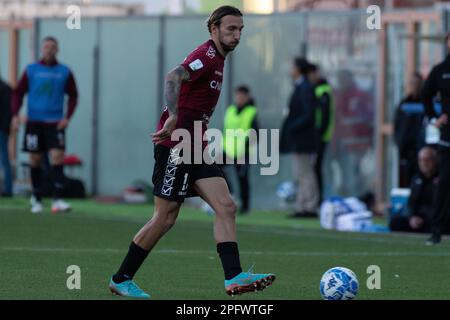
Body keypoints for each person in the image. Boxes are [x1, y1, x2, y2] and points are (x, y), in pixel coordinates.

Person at [109, 6, 275, 298]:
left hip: (195, 147)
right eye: (230, 29)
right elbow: (174, 76)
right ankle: (121, 278)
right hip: (176, 145)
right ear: (213, 29)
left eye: (240, 30)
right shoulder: (207, 56)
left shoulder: (219, 59)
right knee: (165, 218)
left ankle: (233, 277)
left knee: (226, 206)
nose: (236, 36)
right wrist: (173, 115)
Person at [11, 36, 79, 214]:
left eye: (52, 47)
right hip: (34, 122)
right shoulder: (31, 70)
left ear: (57, 50)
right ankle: (37, 199)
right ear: (41, 49)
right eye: (46, 46)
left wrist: (67, 117)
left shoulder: (64, 71)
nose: (49, 50)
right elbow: (18, 92)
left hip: (55, 123)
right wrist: (16, 114)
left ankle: (58, 199)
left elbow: (73, 96)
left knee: (57, 157)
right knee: (35, 159)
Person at [280, 58, 319, 218]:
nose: (290, 70)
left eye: (293, 67)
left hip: (303, 139)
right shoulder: (300, 87)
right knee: (300, 173)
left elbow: (308, 114)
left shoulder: (305, 88)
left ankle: (309, 206)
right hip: (299, 139)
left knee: (305, 173)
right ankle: (302, 205)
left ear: (298, 69)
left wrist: (292, 127)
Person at [422, 33, 450, 245]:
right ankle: (436, 230)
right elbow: (425, 94)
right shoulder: (441, 70)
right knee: (444, 183)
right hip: (447, 138)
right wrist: (434, 117)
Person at [333, 69, 374, 196]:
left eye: (344, 79)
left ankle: (358, 195)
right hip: (341, 143)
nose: (341, 82)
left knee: (356, 171)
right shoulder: (337, 95)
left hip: (358, 143)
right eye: (340, 79)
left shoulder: (360, 96)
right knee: (344, 172)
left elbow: (368, 117)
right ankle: (346, 193)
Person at [221, 85, 259, 214]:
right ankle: (230, 194)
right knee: (216, 169)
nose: (239, 98)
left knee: (242, 178)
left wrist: (247, 148)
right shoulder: (230, 110)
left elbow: (255, 133)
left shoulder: (251, 112)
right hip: (228, 149)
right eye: (237, 95)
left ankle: (245, 206)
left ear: (247, 97)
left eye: (242, 96)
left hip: (243, 151)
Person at [389, 147, 440, 233]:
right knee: (395, 222)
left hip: (433, 218)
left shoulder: (441, 180)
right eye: (421, 160)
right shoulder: (416, 179)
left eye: (427, 160)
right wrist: (411, 217)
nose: (424, 163)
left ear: (435, 161)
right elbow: (411, 203)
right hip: (417, 218)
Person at [308, 64, 334, 204]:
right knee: (315, 167)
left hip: (321, 136)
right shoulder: (318, 89)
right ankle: (317, 199)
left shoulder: (323, 90)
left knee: (316, 167)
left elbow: (324, 116)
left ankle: (318, 200)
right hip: (318, 135)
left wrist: (318, 135)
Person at [394, 72, 425, 187]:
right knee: (405, 183)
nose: (414, 86)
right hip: (406, 153)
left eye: (417, 83)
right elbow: (397, 128)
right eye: (412, 83)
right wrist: (400, 145)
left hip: (422, 152)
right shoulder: (403, 104)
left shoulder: (427, 104)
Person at [0, 74, 13, 197]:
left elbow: (9, 111)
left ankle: (8, 189)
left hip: (2, 130)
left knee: (4, 159)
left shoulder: (5, 89)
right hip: (3, 128)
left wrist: (4, 128)